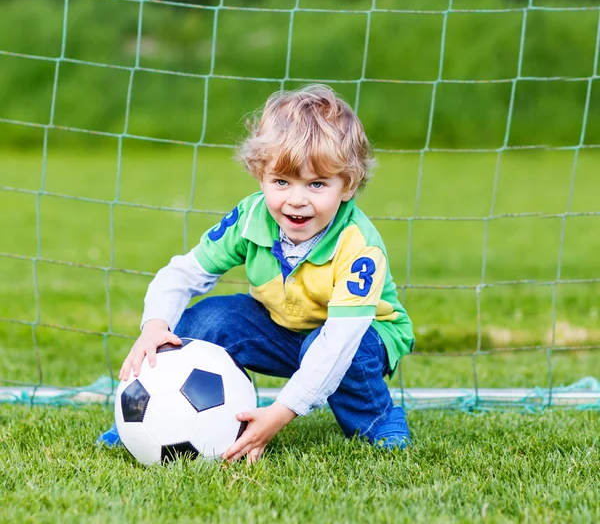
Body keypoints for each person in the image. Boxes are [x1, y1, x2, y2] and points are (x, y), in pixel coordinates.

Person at [98, 84, 415, 462]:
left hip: (361, 335)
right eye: (281, 182)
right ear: (259, 174)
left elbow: (338, 343)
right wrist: (154, 324)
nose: (297, 199)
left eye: (316, 184)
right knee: (207, 320)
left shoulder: (359, 246)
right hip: (282, 326)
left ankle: (378, 420)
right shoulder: (250, 218)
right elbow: (183, 273)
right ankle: (145, 417)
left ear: (346, 185)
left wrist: (280, 413)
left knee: (338, 349)